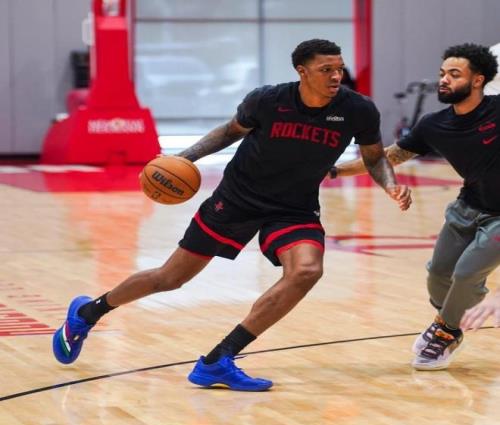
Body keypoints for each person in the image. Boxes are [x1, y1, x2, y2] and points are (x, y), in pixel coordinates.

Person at [52, 39, 411, 391]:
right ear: (302, 72)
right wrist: (183, 159)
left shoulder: (358, 109)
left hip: (294, 207)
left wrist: (390, 185)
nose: (336, 76)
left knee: (306, 271)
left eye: (339, 68)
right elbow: (228, 132)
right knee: (169, 278)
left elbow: (374, 157)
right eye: (326, 69)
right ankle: (87, 313)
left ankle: (218, 360)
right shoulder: (268, 100)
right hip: (238, 199)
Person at [331, 43, 500, 371]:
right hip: (466, 208)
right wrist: (335, 171)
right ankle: (450, 321)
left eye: (454, 74)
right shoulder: (434, 124)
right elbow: (389, 156)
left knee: (466, 274)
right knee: (438, 275)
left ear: (478, 80)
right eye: (442, 73)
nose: (444, 80)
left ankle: (445, 332)